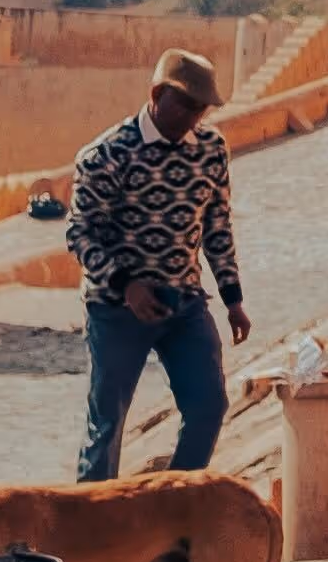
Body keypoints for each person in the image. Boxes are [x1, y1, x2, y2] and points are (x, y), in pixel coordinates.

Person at [69, 50, 242, 484]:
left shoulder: (211, 150)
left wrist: (233, 298)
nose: (192, 116)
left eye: (200, 108)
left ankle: (173, 501)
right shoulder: (107, 154)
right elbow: (80, 233)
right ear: (157, 94)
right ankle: (92, 517)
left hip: (184, 302)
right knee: (107, 425)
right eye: (184, 104)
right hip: (115, 308)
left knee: (208, 405)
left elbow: (217, 226)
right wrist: (127, 284)